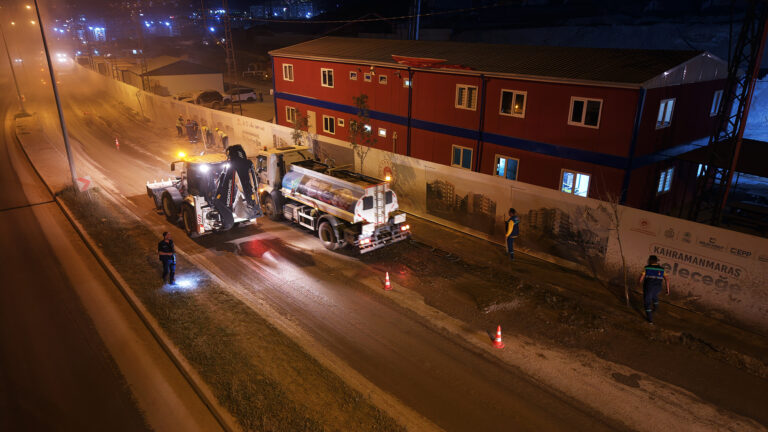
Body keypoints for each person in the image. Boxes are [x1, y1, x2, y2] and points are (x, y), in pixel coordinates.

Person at [639, 255, 670, 324]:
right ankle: (655, 309)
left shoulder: (647, 268)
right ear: (656, 261)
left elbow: (641, 278)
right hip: (658, 288)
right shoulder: (662, 269)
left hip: (649, 287)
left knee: (647, 303)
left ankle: (650, 320)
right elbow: (667, 279)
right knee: (654, 296)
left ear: (650, 260)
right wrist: (668, 289)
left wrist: (639, 283)